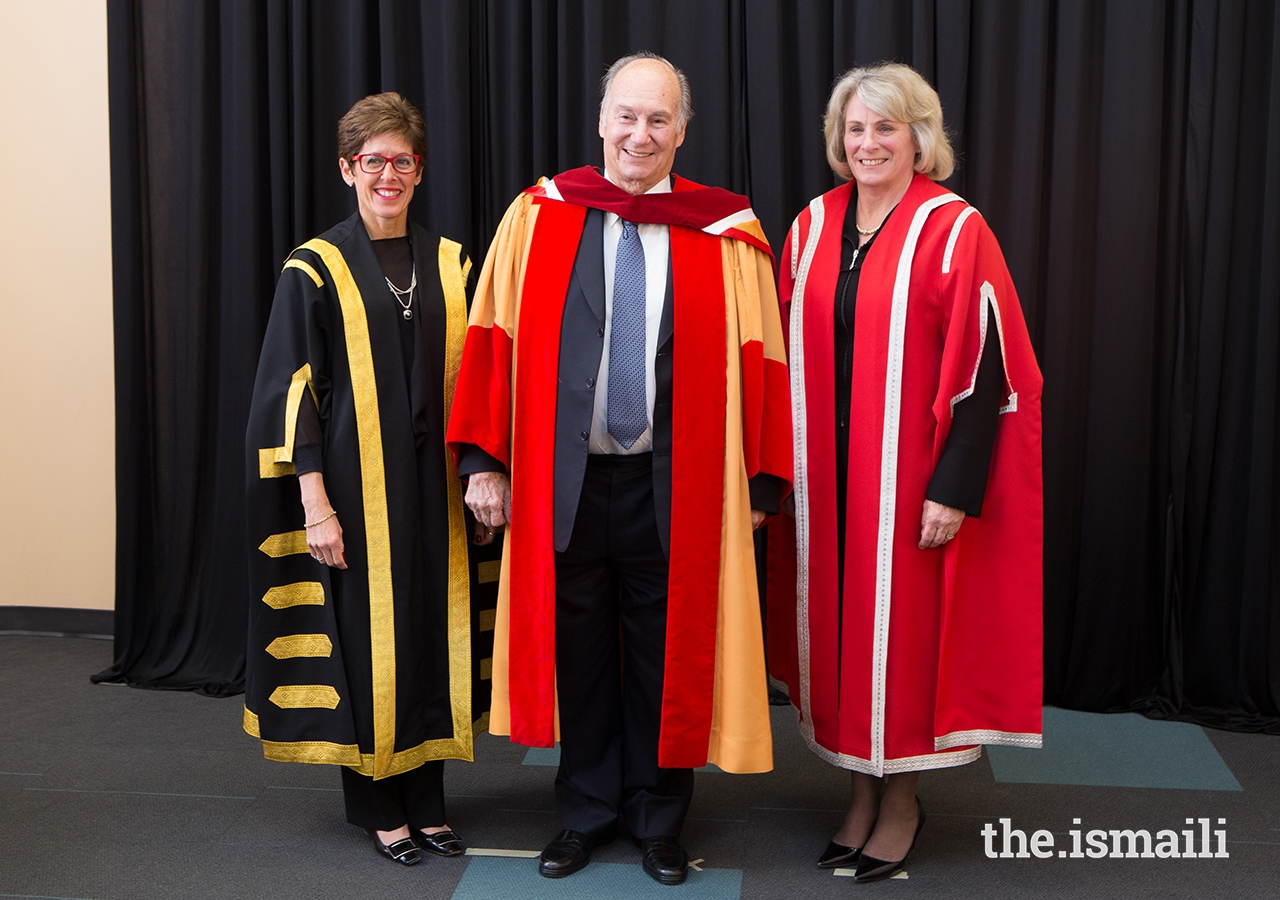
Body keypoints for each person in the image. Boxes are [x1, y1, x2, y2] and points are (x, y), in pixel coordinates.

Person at [447, 52, 792, 886]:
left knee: (664, 656)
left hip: (675, 485)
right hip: (563, 482)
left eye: (659, 119)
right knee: (583, 657)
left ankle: (659, 821)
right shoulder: (539, 217)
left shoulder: (726, 234)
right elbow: (489, 340)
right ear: (601, 120)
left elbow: (764, 362)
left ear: (682, 130)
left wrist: (760, 482)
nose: (641, 134)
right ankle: (585, 813)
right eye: (628, 116)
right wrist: (484, 459)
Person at [767, 62, 1043, 882]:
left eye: (886, 128)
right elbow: (780, 354)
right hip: (827, 478)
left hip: (906, 479)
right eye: (855, 129)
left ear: (920, 137)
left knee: (903, 644)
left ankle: (901, 803)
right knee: (843, 640)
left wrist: (952, 490)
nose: (868, 143)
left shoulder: (956, 229)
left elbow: (991, 370)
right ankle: (858, 791)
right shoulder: (812, 226)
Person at [244, 92, 483, 867]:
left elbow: (480, 381)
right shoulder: (313, 266)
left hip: (436, 486)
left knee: (429, 638)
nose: (388, 174)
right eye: (372, 161)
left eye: (401, 161)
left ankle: (429, 802)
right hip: (354, 487)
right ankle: (381, 808)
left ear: (420, 169)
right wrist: (315, 503)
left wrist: (482, 472)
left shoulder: (451, 263)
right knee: (367, 639)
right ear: (348, 169)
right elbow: (291, 391)